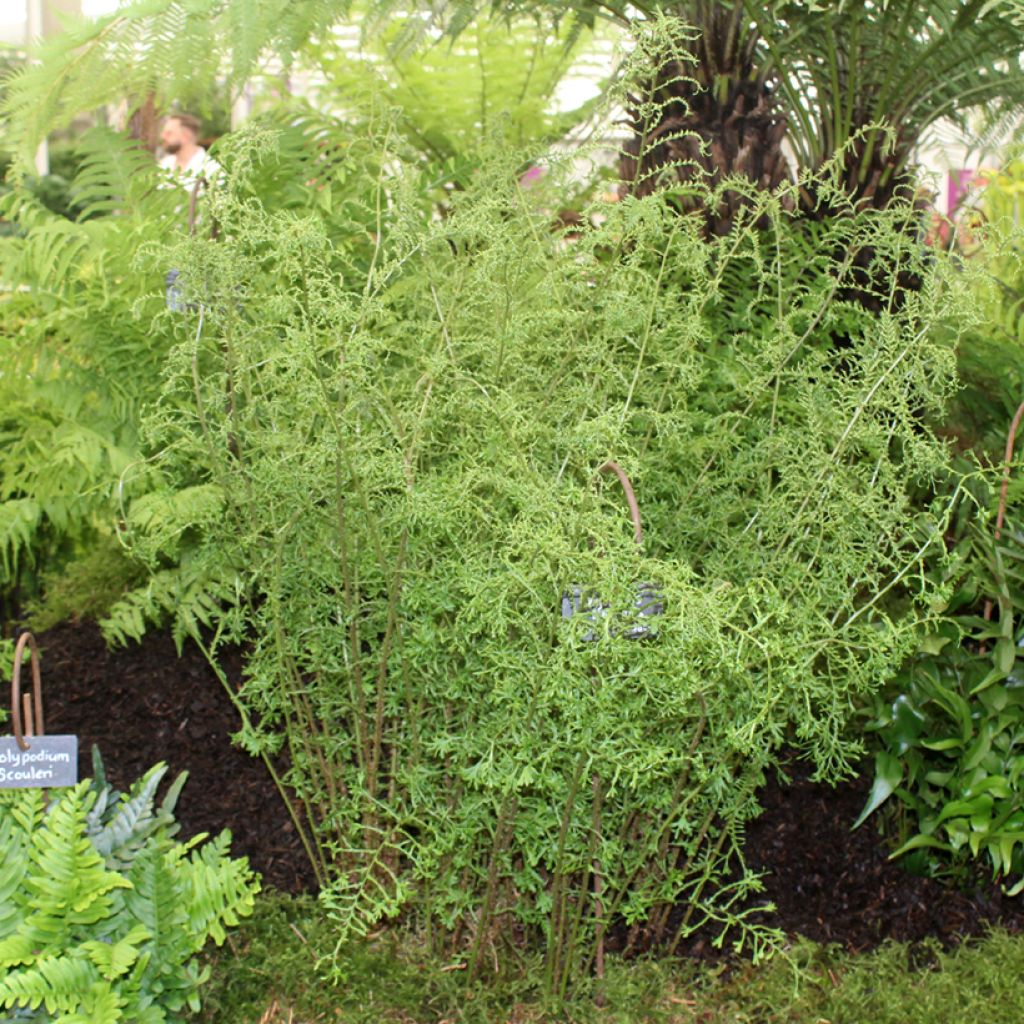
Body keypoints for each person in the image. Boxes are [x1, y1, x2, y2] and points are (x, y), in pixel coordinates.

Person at [158, 113, 220, 188]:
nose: (162, 136)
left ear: (186, 135)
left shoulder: (211, 168)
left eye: (169, 133)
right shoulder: (164, 164)